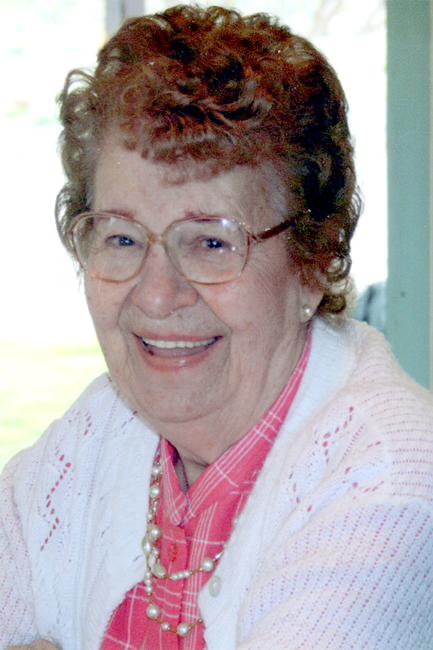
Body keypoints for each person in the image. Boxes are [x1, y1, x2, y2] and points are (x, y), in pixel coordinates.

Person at [1, 5, 433, 650]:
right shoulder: (101, 427)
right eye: (121, 237)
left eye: (210, 242)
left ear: (314, 261)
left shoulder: (390, 480)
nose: (156, 295)